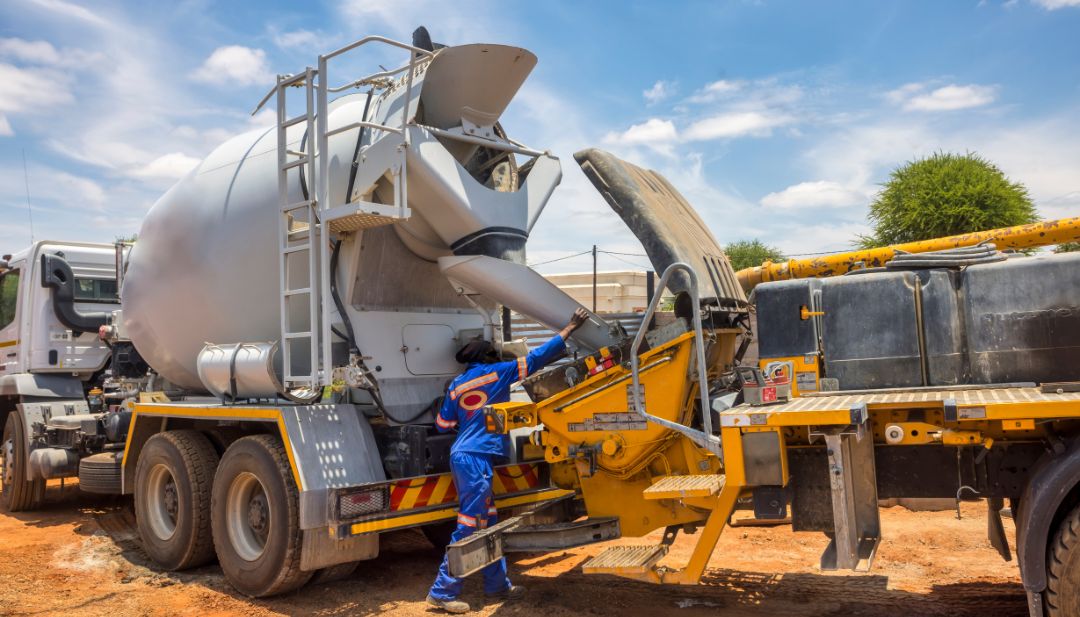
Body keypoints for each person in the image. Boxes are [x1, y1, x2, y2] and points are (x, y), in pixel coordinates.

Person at [426, 308, 590, 613]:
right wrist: (569, 328)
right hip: (476, 458)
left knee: (488, 521)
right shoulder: (498, 373)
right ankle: (442, 592)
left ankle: (497, 585)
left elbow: (443, 425)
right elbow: (537, 358)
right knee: (470, 523)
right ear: (488, 357)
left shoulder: (456, 384)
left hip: (465, 456)